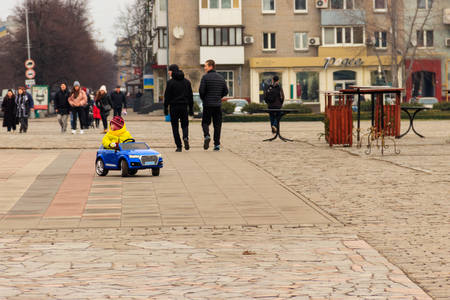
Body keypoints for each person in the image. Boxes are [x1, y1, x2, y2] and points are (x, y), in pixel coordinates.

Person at [199, 59, 228, 151]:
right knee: (217, 125)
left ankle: (207, 135)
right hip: (217, 104)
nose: (204, 68)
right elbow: (226, 91)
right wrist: (218, 96)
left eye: (206, 66)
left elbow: (201, 91)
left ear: (211, 67)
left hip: (208, 104)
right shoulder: (221, 78)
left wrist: (204, 98)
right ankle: (216, 144)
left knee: (205, 122)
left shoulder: (205, 78)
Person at [164, 64, 194, 152]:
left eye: (169, 70)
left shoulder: (170, 83)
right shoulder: (187, 82)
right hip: (184, 107)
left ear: (172, 71)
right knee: (185, 125)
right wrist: (191, 109)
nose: (168, 72)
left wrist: (165, 108)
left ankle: (179, 146)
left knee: (175, 127)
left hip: (174, 107)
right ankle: (185, 137)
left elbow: (167, 96)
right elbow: (190, 96)